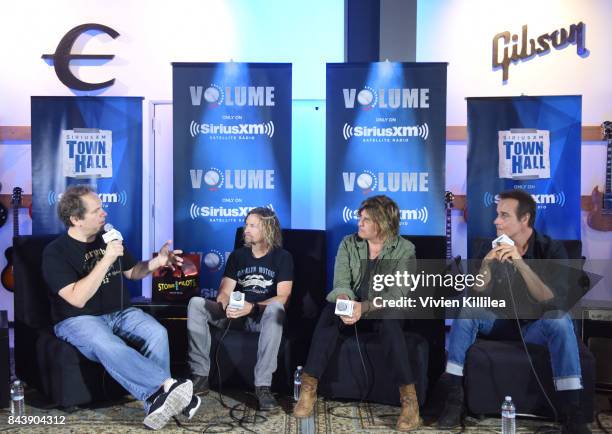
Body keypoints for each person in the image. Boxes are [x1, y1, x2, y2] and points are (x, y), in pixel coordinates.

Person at [42, 185, 198, 430]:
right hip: (78, 318)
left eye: (102, 207)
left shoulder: (109, 236)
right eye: (97, 210)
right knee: (106, 343)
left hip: (120, 312)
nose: (104, 213)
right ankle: (168, 387)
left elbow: (134, 272)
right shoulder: (55, 252)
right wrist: (106, 260)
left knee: (157, 333)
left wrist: (159, 261)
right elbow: (77, 298)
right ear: (75, 219)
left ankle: (157, 403)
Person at [437, 189, 589, 434]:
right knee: (468, 310)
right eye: (497, 214)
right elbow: (474, 294)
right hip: (497, 323)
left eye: (504, 215)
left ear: (525, 219)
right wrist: (486, 264)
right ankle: (454, 398)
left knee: (561, 320)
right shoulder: (489, 247)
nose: (496, 221)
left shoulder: (551, 250)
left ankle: (572, 410)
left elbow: (552, 300)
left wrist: (520, 262)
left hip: (534, 327)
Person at [293, 195, 422, 432]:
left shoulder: (405, 250)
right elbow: (341, 281)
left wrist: (364, 308)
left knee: (391, 320)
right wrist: (345, 301)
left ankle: (409, 402)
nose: (359, 223)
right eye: (359, 218)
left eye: (366, 219)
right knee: (330, 311)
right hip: (353, 306)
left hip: (384, 309)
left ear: (382, 223)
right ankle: (308, 388)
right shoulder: (348, 243)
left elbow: (398, 294)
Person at [187, 207, 293, 411]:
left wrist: (252, 308)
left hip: (262, 317)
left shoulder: (283, 257)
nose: (246, 229)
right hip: (236, 316)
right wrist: (226, 304)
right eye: (246, 224)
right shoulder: (237, 256)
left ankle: (262, 386)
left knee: (277, 309)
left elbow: (284, 297)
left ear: (268, 229)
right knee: (196, 304)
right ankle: (200, 377)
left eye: (252, 225)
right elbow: (224, 291)